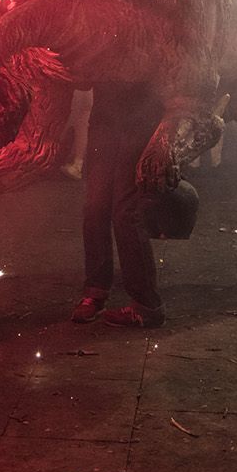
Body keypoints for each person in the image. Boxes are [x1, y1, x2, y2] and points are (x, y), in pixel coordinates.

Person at [72, 82, 167, 328]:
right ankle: (95, 290)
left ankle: (147, 304)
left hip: (142, 115)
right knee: (95, 206)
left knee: (125, 210)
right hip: (105, 118)